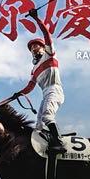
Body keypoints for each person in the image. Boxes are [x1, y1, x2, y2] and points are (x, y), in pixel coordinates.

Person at [18, 24, 65, 155]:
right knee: (39, 126)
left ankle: (59, 143)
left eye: (36, 46)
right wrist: (18, 94)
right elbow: (30, 86)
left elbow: (47, 35)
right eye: (32, 48)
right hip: (46, 94)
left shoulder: (49, 54)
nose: (33, 49)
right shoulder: (33, 70)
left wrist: (36, 19)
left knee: (47, 116)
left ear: (44, 48)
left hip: (55, 90)